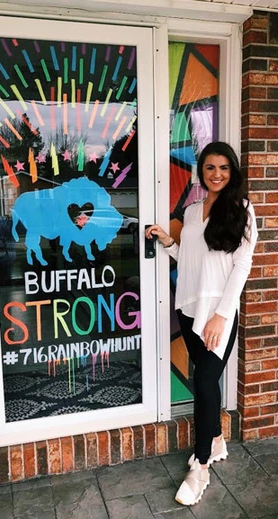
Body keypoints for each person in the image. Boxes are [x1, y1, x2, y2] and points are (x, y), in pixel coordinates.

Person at [146, 141, 257, 506]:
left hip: (217, 313)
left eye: (224, 168)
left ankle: (201, 465)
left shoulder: (242, 209)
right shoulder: (193, 211)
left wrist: (222, 315)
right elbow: (190, 259)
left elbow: (241, 267)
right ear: (202, 171)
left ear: (233, 171)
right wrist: (166, 241)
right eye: (210, 168)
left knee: (204, 380)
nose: (217, 174)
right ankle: (218, 438)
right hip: (189, 307)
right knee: (207, 381)